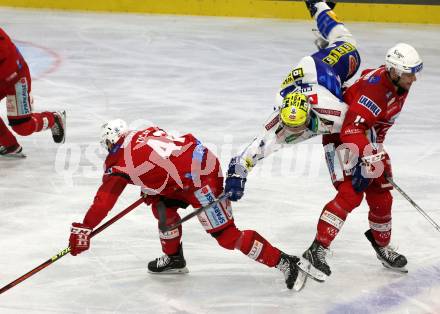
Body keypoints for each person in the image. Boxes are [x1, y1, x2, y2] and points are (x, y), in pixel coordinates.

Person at [68, 119, 303, 290]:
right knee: (162, 208)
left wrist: (85, 227)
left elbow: (104, 201)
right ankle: (174, 259)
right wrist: (151, 187)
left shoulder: (117, 161)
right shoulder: (145, 130)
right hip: (199, 166)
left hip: (201, 183)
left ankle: (284, 261)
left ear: (110, 141)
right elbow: (161, 159)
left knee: (228, 237)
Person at [299, 42, 423, 282]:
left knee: (382, 191)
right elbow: (350, 129)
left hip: (365, 138)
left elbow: (379, 126)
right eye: (409, 73)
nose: (413, 79)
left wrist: (376, 154)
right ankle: (317, 250)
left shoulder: (399, 87)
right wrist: (365, 159)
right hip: (341, 139)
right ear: (395, 72)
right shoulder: (376, 92)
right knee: (351, 192)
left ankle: (382, 245)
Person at [225, 0, 361, 202]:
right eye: (290, 126)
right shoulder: (278, 122)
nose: (293, 132)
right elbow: (249, 153)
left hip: (323, 71)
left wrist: (364, 159)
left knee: (347, 43)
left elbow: (359, 125)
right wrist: (236, 174)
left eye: (297, 126)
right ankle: (323, 43)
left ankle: (319, 7)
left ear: (309, 113)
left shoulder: (331, 110)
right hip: (301, 80)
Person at [0, 27, 65, 158]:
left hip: (17, 79)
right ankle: (10, 145)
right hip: (5, 77)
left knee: (23, 127)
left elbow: (6, 63)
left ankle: (54, 119)